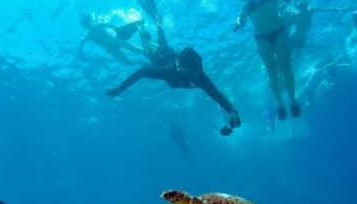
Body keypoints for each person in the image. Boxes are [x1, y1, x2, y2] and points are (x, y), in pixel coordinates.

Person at [105, 47, 241, 136]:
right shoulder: (168, 71)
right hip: (159, 57)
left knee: (160, 47)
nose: (195, 74)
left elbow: (217, 96)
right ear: (180, 68)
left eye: (198, 70)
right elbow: (141, 72)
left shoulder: (201, 77)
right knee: (149, 53)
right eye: (191, 70)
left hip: (170, 56)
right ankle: (150, 35)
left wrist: (232, 111)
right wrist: (120, 89)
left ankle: (158, 30)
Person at [234, 0, 300, 120]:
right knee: (272, 73)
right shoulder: (247, 3)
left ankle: (293, 101)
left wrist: (293, 12)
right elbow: (241, 16)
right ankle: (280, 104)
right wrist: (239, 22)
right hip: (262, 37)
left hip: (279, 31)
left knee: (286, 68)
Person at [288, 0, 353, 58]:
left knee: (295, 56)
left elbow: (326, 10)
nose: (303, 7)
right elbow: (326, 10)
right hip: (297, 37)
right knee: (291, 54)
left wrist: (340, 9)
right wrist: (339, 9)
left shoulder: (310, 11)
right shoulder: (299, 14)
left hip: (299, 37)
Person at [79, 14, 144, 65]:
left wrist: (119, 33)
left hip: (117, 42)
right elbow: (81, 44)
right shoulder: (89, 36)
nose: (90, 24)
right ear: (85, 26)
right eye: (87, 24)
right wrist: (81, 54)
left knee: (136, 50)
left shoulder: (100, 26)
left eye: (89, 22)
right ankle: (139, 61)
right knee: (128, 62)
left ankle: (148, 53)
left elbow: (114, 27)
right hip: (111, 49)